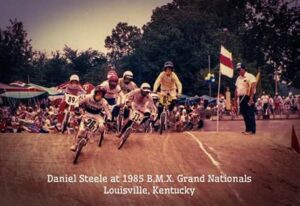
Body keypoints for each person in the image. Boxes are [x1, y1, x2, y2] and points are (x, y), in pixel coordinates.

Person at [70, 86, 111, 151]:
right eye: (98, 93)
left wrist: (109, 119)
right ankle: (75, 144)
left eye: (101, 94)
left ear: (103, 95)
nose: (99, 95)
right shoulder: (88, 97)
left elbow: (108, 112)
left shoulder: (104, 102)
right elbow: (77, 101)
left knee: (101, 126)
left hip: (97, 116)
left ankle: (92, 134)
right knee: (82, 130)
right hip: (87, 114)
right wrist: (76, 107)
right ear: (95, 92)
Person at [234, 63, 257, 135]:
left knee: (250, 113)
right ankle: (247, 129)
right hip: (241, 97)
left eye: (239, 69)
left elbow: (253, 87)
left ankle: (252, 130)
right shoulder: (238, 78)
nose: (238, 71)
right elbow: (236, 89)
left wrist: (251, 97)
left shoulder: (250, 76)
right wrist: (235, 100)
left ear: (244, 69)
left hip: (249, 96)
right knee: (244, 114)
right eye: (237, 70)